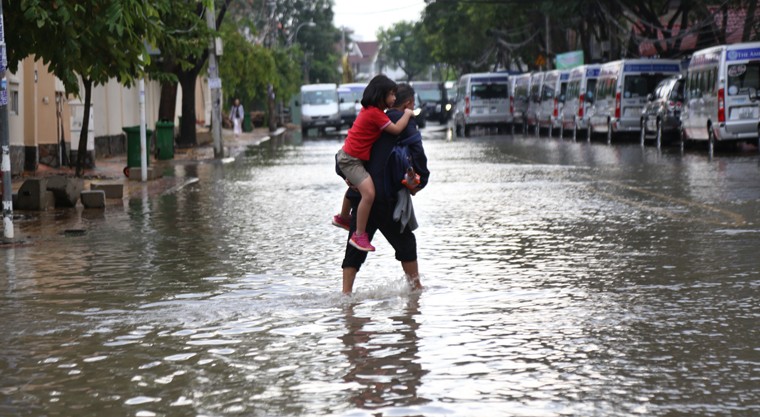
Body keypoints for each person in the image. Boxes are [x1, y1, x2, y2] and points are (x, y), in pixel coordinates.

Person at [339, 84, 430, 294]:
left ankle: (346, 296)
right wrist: (421, 181)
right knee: (406, 243)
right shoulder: (404, 121)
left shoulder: (373, 116)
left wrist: (347, 176)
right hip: (386, 198)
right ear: (408, 104)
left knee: (355, 244)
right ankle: (416, 290)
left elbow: (348, 150)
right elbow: (417, 153)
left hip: (361, 195)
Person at [334, 75, 415, 252]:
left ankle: (342, 217)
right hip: (351, 160)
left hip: (350, 157)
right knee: (369, 193)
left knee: (358, 187)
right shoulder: (375, 114)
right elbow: (396, 129)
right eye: (391, 94)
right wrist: (407, 114)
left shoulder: (370, 111)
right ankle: (359, 235)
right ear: (381, 95)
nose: (394, 98)